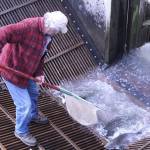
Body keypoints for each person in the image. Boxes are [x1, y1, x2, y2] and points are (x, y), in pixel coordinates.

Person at [0, 11, 68, 146]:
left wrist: (39, 73)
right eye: (58, 30)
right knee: (24, 105)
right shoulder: (28, 26)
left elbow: (40, 56)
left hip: (29, 70)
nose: (58, 33)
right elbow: (3, 32)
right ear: (51, 26)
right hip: (12, 70)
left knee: (34, 93)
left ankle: (33, 115)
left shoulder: (48, 35)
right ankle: (21, 131)